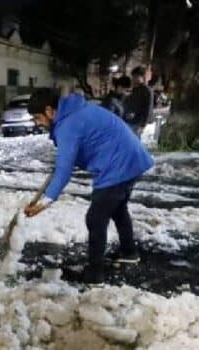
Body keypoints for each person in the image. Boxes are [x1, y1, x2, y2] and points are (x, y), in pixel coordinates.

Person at [23, 89, 154, 285]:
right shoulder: (76, 113)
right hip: (132, 159)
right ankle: (129, 252)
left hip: (117, 165)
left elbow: (64, 170)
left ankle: (95, 274)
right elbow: (68, 158)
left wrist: (45, 202)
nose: (37, 123)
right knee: (118, 209)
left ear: (50, 111)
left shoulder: (68, 125)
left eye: (37, 117)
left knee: (95, 218)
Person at [123, 66, 153, 137]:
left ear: (142, 77)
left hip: (137, 123)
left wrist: (143, 125)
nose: (133, 79)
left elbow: (148, 108)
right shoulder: (134, 89)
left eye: (136, 76)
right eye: (133, 76)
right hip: (128, 120)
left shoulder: (147, 90)